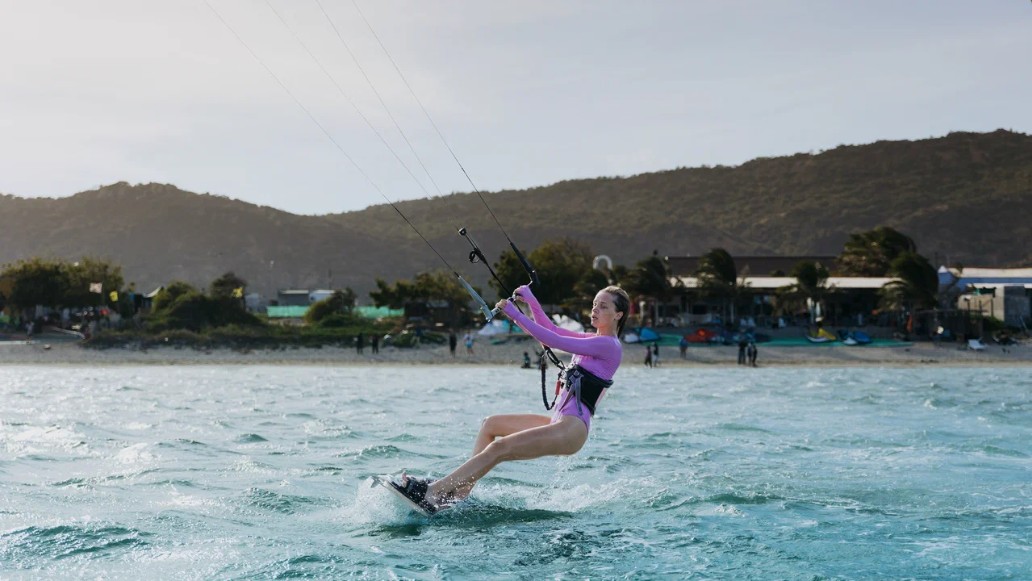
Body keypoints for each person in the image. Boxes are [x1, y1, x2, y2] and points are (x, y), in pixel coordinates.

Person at [390, 284, 629, 514]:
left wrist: (516, 315)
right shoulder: (592, 338)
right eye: (595, 304)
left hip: (571, 429)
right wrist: (531, 302)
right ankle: (459, 493)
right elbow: (551, 332)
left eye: (604, 306)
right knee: (490, 425)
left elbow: (555, 343)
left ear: (619, 314)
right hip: (558, 421)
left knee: (499, 448)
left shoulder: (609, 346)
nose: (595, 309)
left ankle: (433, 492)